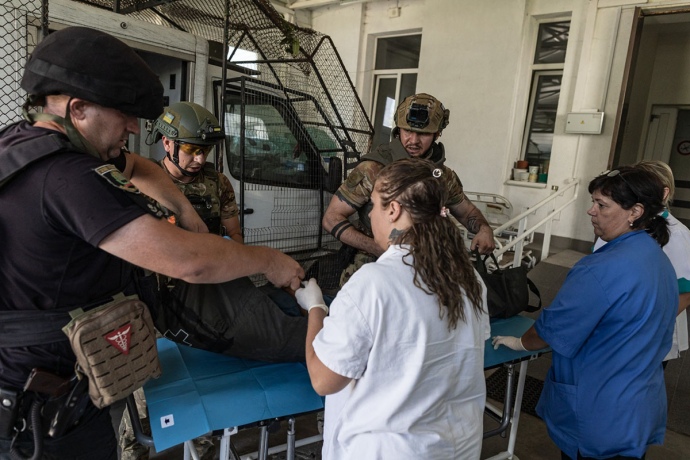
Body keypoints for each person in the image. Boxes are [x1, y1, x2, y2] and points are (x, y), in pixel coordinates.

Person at [0, 26, 303, 460]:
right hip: (39, 415)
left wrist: (187, 212)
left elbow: (141, 167)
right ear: (78, 108)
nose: (132, 126)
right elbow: (189, 262)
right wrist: (268, 261)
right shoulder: (67, 177)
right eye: (123, 113)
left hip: (51, 389)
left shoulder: (23, 144)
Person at [296, 158, 490, 459]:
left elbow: (324, 380)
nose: (370, 214)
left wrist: (316, 308)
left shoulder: (373, 283)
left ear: (394, 210)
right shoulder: (470, 279)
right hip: (457, 448)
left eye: (374, 205)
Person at [492, 166, 678, 460]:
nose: (591, 211)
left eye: (602, 205)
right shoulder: (657, 258)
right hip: (637, 405)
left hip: (599, 409)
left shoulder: (600, 268)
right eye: (593, 202)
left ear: (635, 212)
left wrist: (520, 343)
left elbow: (553, 330)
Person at [323, 92, 495, 286]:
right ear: (398, 130)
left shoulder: (442, 175)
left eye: (423, 134)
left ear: (437, 134)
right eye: (407, 131)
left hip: (425, 269)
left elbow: (467, 212)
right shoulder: (374, 169)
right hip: (374, 267)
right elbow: (331, 218)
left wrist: (484, 229)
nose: (413, 140)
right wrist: (379, 248)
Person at [593, 160, 690, 367]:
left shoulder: (678, 235)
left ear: (664, 193)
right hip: (612, 328)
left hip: (645, 335)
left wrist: (644, 329)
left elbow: (684, 292)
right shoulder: (619, 223)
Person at [152, 101, 242, 241]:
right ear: (167, 143)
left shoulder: (218, 182)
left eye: (206, 150)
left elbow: (234, 233)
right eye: (191, 149)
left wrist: (230, 249)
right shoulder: (147, 181)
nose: (200, 159)